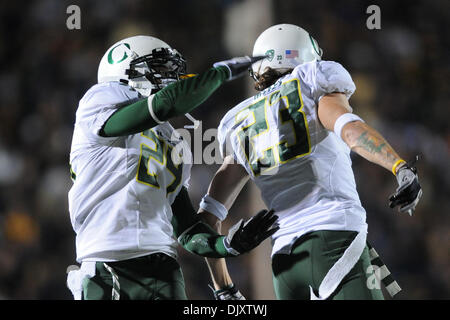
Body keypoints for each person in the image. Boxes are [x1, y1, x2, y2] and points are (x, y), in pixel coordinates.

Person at [198, 24, 422, 300]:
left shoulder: (238, 121)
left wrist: (225, 289)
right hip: (334, 240)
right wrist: (398, 166)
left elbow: (208, 217)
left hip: (284, 264)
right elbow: (348, 128)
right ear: (303, 55)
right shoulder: (311, 79)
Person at [66, 35, 279, 300]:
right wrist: (220, 73)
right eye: (160, 69)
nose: (171, 78)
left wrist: (228, 245)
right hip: (108, 261)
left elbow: (188, 230)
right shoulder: (99, 101)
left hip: (165, 268)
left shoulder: (173, 140)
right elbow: (166, 103)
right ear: (126, 71)